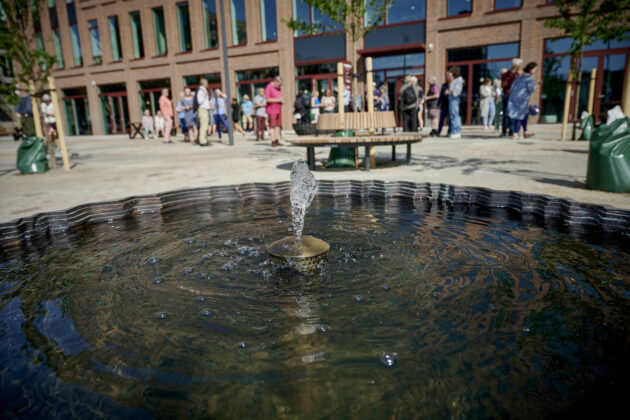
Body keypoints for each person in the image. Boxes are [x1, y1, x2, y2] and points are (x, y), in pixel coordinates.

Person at [508, 62, 537, 139]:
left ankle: (525, 131)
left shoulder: (519, 77)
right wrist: (537, 86)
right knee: (520, 115)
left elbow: (512, 87)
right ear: (530, 69)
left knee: (525, 113)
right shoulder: (529, 78)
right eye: (534, 69)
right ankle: (516, 133)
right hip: (522, 98)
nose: (535, 71)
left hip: (514, 98)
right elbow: (531, 89)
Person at [501, 58, 523, 137]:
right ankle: (504, 132)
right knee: (506, 114)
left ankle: (511, 131)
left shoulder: (518, 74)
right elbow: (503, 85)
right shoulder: (506, 74)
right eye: (518, 65)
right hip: (507, 95)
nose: (519, 66)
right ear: (514, 65)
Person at [265, 76, 284, 147]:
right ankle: (273, 141)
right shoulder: (269, 87)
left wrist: (282, 100)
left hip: (278, 109)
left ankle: (277, 140)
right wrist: (278, 100)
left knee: (278, 125)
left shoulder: (278, 88)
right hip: (272, 110)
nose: (280, 86)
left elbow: (279, 97)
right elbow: (267, 99)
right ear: (276, 81)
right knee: (272, 126)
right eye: (279, 84)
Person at [445, 67, 463, 139]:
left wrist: (449, 92)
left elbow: (457, 92)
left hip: (454, 99)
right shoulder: (455, 80)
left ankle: (457, 132)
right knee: (452, 116)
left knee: (455, 115)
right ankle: (453, 131)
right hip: (452, 99)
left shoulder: (458, 80)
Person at [197, 78, 212, 146]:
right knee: (203, 126)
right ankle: (202, 141)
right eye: (207, 83)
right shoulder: (201, 91)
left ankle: (205, 139)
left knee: (205, 126)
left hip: (205, 109)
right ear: (204, 84)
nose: (208, 84)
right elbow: (200, 101)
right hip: (202, 109)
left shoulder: (204, 90)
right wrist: (205, 96)